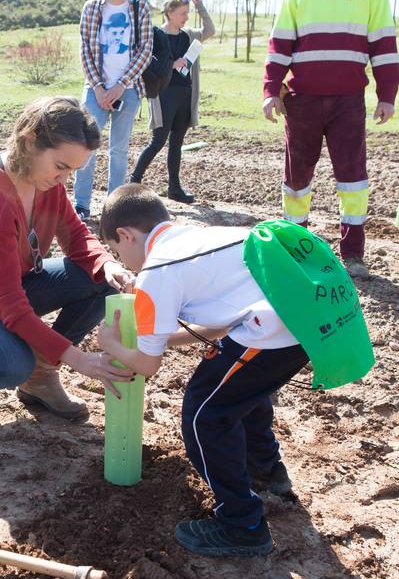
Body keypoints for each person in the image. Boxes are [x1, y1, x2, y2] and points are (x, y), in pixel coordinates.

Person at [97, 184, 310, 558]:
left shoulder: (157, 271)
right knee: (239, 391)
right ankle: (266, 469)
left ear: (125, 235)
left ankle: (242, 524)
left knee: (203, 415)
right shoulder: (196, 239)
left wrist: (112, 346)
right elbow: (220, 324)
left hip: (272, 330)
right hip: (303, 323)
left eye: (117, 252)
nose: (125, 262)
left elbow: (147, 366)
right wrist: (157, 335)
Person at [0, 96, 135, 422]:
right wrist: (77, 358)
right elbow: (11, 306)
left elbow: (76, 236)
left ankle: (41, 377)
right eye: (62, 167)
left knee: (102, 281)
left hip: (6, 284)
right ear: (30, 140)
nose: (64, 180)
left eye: (74, 171)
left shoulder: (45, 180)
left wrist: (108, 265)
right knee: (10, 365)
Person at [263, 0, 399, 280]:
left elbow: (384, 45)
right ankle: (295, 247)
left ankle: (353, 254)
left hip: (348, 102)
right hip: (302, 102)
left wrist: (388, 94)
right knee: (296, 178)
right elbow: (279, 47)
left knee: (353, 178)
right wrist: (271, 90)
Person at [73, 0, 153, 220]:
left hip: (128, 90)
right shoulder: (91, 8)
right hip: (95, 88)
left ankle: (112, 209)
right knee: (86, 144)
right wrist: (98, 87)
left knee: (118, 150)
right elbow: (84, 49)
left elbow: (145, 50)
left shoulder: (139, 7)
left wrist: (121, 85)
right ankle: (81, 204)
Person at [130, 0, 215, 203]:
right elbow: (147, 64)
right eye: (182, 13)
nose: (186, 17)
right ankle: (133, 183)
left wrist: (201, 6)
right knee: (157, 141)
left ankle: (174, 188)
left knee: (177, 143)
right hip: (164, 95)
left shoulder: (188, 35)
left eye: (188, 13)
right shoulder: (155, 35)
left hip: (185, 94)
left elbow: (210, 30)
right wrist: (171, 64)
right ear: (169, 12)